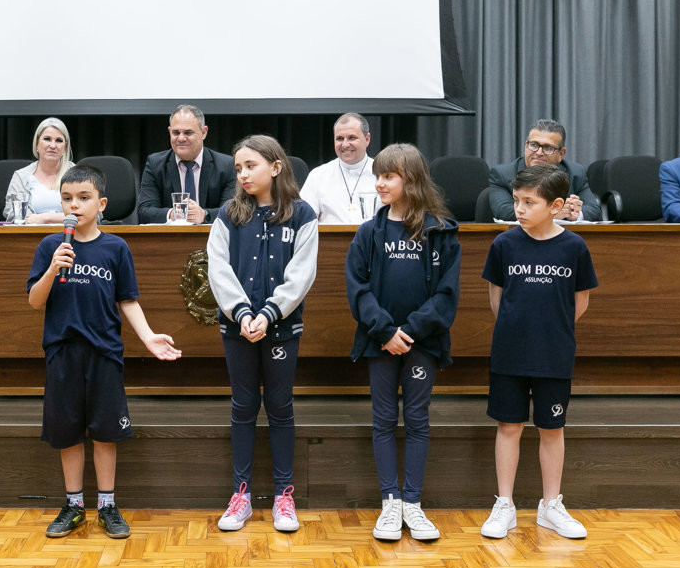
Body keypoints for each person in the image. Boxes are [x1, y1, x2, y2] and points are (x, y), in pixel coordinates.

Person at [27, 164, 182, 539]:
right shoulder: (50, 246)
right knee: (68, 434)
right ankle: (74, 505)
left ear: (102, 204)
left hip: (104, 354)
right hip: (63, 354)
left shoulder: (115, 247)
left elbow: (127, 300)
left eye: (83, 198)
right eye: (67, 198)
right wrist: (52, 270)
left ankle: (108, 505)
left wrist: (147, 337)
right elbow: (35, 301)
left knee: (105, 433)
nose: (74, 206)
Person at [345, 143, 460, 543]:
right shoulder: (368, 232)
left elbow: (446, 295)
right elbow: (357, 289)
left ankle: (412, 501)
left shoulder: (441, 232)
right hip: (380, 343)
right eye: (377, 175)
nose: (379, 182)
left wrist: (409, 331)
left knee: (417, 421)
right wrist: (385, 331)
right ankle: (390, 501)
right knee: (382, 421)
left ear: (410, 179)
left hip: (421, 344)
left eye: (388, 176)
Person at [206, 134, 319, 533]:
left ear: (275, 166)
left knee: (280, 407)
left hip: (282, 329)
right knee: (242, 407)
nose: (243, 174)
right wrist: (241, 313)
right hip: (238, 329)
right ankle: (241, 495)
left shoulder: (303, 216)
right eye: (238, 168)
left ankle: (284, 496)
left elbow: (301, 275)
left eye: (250, 166)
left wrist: (269, 314)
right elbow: (217, 269)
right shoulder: (228, 214)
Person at [480, 165, 598, 540]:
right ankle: (504, 504)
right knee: (509, 426)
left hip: (554, 354)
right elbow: (497, 298)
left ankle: (550, 505)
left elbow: (579, 303)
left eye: (529, 202)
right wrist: (520, 328)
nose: (519, 208)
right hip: (510, 354)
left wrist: (550, 330)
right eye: (516, 201)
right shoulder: (504, 244)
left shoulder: (574, 247)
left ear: (556, 205)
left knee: (551, 428)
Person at [136, 104, 236, 223]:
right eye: (176, 133)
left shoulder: (226, 165)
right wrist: (173, 214)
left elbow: (232, 211)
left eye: (188, 133)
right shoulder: (155, 164)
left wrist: (204, 215)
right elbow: (144, 211)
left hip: (211, 238)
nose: (181, 138)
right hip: (170, 239)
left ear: (204, 132)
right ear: (169, 132)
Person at [486, 119, 600, 222]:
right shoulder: (502, 174)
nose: (539, 153)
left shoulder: (575, 173)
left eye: (548, 148)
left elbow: (594, 210)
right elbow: (504, 211)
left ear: (561, 154)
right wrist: (552, 212)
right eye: (534, 145)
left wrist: (574, 213)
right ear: (526, 146)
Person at [300, 112, 376, 224]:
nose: (345, 145)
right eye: (339, 139)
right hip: (329, 241)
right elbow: (304, 222)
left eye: (352, 138)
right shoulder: (318, 175)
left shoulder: (383, 173)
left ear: (367, 139)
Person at [4, 117, 75, 224]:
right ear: (37, 143)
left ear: (65, 147)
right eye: (47, 139)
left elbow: (93, 214)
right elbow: (14, 214)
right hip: (31, 237)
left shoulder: (79, 174)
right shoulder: (21, 176)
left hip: (73, 237)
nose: (52, 145)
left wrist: (46, 218)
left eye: (59, 140)